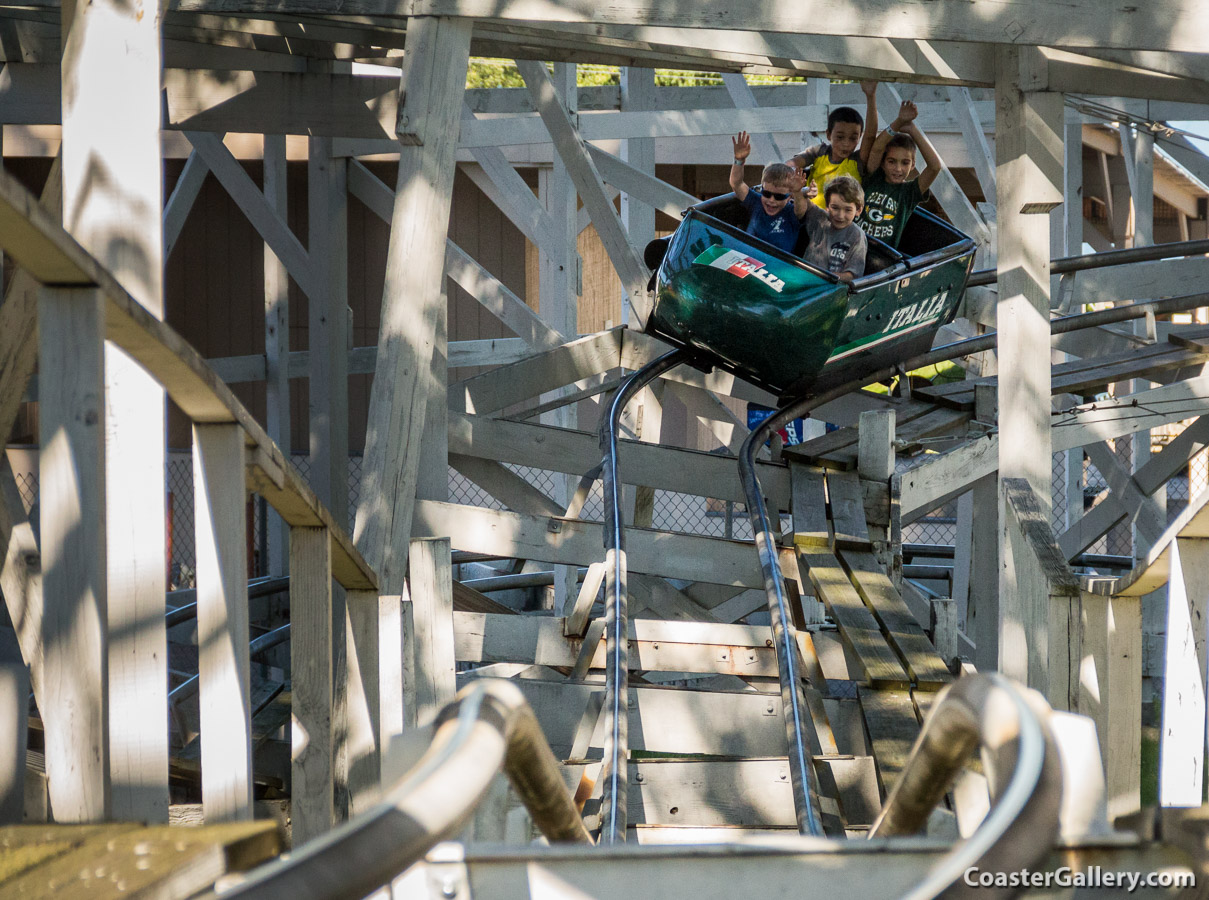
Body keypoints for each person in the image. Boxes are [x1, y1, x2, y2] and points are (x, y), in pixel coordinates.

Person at [858, 100, 943, 247]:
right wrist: (899, 122)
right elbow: (877, 147)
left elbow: (934, 167)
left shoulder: (909, 193)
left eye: (905, 163)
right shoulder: (873, 177)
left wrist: (912, 129)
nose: (898, 169)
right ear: (883, 163)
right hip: (854, 246)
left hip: (881, 257)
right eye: (891, 161)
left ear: (912, 165)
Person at [790, 80, 878, 208]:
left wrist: (871, 96)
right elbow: (791, 164)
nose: (846, 144)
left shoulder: (857, 161)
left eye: (853, 138)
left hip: (842, 222)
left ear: (860, 137)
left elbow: (870, 136)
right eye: (840, 137)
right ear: (828, 134)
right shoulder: (819, 152)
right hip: (811, 219)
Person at [730, 131, 809, 254]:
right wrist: (739, 160)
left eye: (779, 197)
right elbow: (737, 184)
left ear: (789, 197)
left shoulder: (790, 212)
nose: (771, 200)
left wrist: (797, 192)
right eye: (766, 194)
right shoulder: (756, 202)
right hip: (748, 261)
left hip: (776, 266)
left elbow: (801, 210)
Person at [801, 175, 867, 282]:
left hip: (829, 288)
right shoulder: (820, 218)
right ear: (827, 206)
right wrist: (804, 192)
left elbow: (853, 275)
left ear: (858, 210)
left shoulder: (857, 236)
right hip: (803, 278)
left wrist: (822, 277)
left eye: (848, 210)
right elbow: (801, 206)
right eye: (835, 208)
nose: (840, 215)